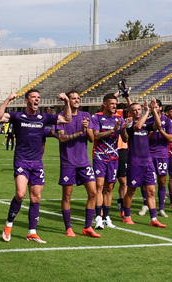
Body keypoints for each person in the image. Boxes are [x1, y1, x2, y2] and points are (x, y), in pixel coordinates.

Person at [0, 89, 71, 244]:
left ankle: (32, 232)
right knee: (21, 194)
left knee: (36, 197)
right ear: (26, 101)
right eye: (33, 97)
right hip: (22, 160)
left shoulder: (44, 117)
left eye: (38, 97)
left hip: (37, 162)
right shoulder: (17, 116)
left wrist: (67, 102)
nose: (37, 100)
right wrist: (8, 100)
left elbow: (67, 119)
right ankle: (9, 224)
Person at [56, 90, 100, 238]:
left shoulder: (86, 116)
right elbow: (62, 139)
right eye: (73, 98)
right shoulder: (61, 118)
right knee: (67, 196)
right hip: (68, 162)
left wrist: (86, 129)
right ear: (67, 101)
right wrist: (80, 131)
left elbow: (92, 139)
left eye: (78, 98)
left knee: (93, 193)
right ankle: (68, 227)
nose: (76, 100)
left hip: (84, 162)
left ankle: (87, 226)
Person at [120, 99, 166, 227]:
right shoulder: (129, 124)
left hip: (148, 162)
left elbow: (158, 125)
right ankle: (127, 216)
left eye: (139, 109)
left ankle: (154, 219)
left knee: (151, 191)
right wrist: (147, 112)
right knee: (131, 190)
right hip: (134, 162)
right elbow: (138, 126)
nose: (137, 112)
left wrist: (153, 111)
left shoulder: (147, 124)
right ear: (130, 112)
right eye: (134, 110)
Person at [88, 93, 125, 229]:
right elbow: (96, 136)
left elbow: (125, 139)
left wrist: (124, 129)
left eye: (115, 104)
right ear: (105, 104)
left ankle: (106, 217)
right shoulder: (97, 117)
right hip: (99, 156)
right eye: (112, 104)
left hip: (114, 157)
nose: (115, 106)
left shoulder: (119, 118)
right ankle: (98, 217)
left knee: (109, 188)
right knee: (99, 186)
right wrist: (113, 130)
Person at [138, 98, 172, 218]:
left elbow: (170, 139)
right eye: (152, 107)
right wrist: (154, 131)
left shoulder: (167, 121)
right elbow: (144, 139)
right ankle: (145, 204)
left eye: (156, 107)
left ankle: (161, 209)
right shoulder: (147, 121)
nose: (154, 109)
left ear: (160, 108)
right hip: (148, 155)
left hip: (162, 155)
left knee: (162, 181)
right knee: (146, 182)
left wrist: (160, 130)